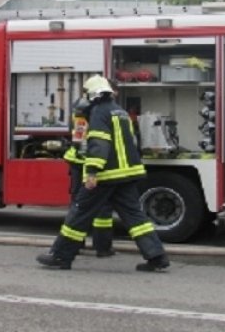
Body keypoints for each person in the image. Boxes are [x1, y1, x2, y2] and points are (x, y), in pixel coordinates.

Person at [37, 75, 169, 271]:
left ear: (92, 94)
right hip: (127, 174)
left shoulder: (99, 112)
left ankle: (60, 256)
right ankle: (157, 257)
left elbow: (99, 144)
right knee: (135, 217)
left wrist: (91, 171)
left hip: (106, 175)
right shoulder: (120, 112)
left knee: (79, 212)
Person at [64, 96, 115, 257]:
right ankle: (102, 247)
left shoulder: (81, 111)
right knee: (102, 207)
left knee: (79, 206)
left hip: (78, 163)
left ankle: (75, 245)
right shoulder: (92, 115)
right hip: (89, 165)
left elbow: (78, 140)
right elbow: (85, 144)